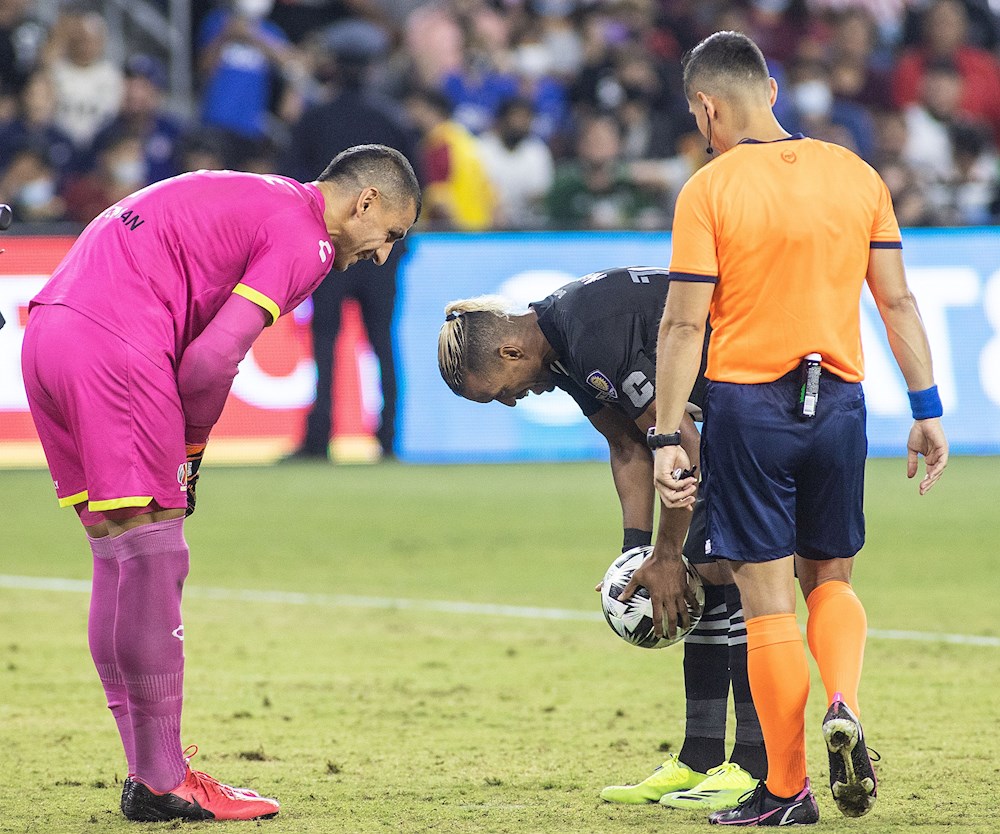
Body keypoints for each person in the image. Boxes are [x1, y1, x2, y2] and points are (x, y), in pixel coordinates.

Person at [20, 144, 420, 822]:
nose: (383, 254)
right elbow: (209, 362)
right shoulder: (309, 241)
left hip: (50, 334)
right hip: (117, 344)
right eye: (392, 235)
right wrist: (193, 451)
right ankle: (162, 779)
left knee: (118, 556)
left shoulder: (255, 195)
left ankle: (150, 774)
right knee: (155, 557)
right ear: (365, 203)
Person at [645, 31, 949, 826]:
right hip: (841, 403)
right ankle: (842, 699)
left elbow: (682, 323)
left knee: (766, 600)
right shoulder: (857, 174)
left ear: (707, 107)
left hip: (750, 407)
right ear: (772, 90)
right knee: (833, 579)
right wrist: (926, 409)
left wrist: (666, 433)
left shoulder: (709, 189)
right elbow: (898, 302)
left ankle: (787, 790)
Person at [436, 266, 767, 813]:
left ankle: (756, 764)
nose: (513, 402)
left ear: (510, 354)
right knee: (706, 571)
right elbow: (628, 445)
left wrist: (666, 556)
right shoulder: (560, 345)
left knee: (726, 569)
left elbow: (680, 443)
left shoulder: (590, 333)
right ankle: (701, 757)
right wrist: (636, 553)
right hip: (730, 413)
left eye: (500, 394)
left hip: (767, 392)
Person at [283, 31, 419, 461]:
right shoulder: (393, 119)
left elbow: (297, 186)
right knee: (382, 341)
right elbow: (417, 191)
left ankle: (318, 440)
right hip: (381, 250)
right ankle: (389, 440)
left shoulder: (315, 118)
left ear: (333, 69)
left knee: (324, 342)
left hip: (331, 249)